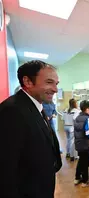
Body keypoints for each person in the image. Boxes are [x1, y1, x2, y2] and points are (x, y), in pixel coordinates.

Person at [0, 60, 62, 198]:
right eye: (49, 82)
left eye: (56, 84)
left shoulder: (36, 106)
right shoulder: (12, 111)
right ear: (28, 81)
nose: (55, 89)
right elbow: (5, 170)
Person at [74, 100, 89, 187]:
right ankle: (85, 180)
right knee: (86, 162)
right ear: (87, 109)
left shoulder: (77, 117)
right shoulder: (88, 119)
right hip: (86, 145)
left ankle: (77, 178)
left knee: (81, 161)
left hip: (79, 143)